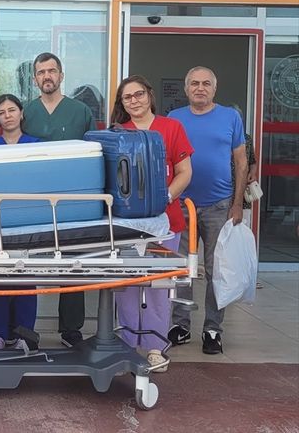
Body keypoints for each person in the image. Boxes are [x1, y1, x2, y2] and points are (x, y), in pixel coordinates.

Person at [109, 75, 193, 371]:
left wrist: (164, 197)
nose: (134, 101)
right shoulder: (118, 133)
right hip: (127, 226)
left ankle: (156, 347)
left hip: (165, 221)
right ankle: (128, 344)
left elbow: (185, 171)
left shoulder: (171, 128)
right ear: (122, 103)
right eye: (127, 97)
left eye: (139, 94)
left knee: (159, 287)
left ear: (149, 95)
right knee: (128, 286)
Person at [168, 66, 247, 355]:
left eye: (205, 84)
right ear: (186, 89)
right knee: (180, 268)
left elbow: (241, 162)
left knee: (216, 270)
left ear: (215, 88)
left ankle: (213, 329)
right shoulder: (174, 118)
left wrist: (237, 203)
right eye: (194, 83)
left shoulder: (230, 117)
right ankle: (180, 325)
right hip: (180, 205)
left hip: (219, 205)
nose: (200, 88)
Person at [22, 52, 95, 348]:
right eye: (41, 72)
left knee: (73, 264)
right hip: (33, 199)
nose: (47, 76)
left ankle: (71, 329)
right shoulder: (26, 112)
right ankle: (23, 329)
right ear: (34, 79)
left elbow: (93, 154)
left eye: (52, 71)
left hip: (72, 199)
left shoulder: (80, 111)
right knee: (25, 263)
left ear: (61, 75)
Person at [0, 94, 40, 350]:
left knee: (26, 276)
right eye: (2, 112)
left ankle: (25, 335)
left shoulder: (36, 145)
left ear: (21, 113)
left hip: (28, 218)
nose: (8, 115)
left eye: (12, 110)